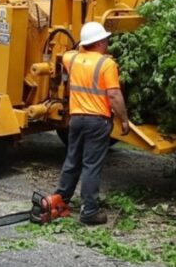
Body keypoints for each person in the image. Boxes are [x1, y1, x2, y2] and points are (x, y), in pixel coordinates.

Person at [54, 21, 130, 225]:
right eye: (105, 39)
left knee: (72, 161)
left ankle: (59, 202)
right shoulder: (107, 64)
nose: (107, 42)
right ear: (98, 42)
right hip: (97, 121)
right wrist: (124, 120)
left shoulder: (73, 59)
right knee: (91, 165)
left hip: (76, 119)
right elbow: (114, 95)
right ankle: (89, 211)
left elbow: (68, 53)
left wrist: (82, 45)